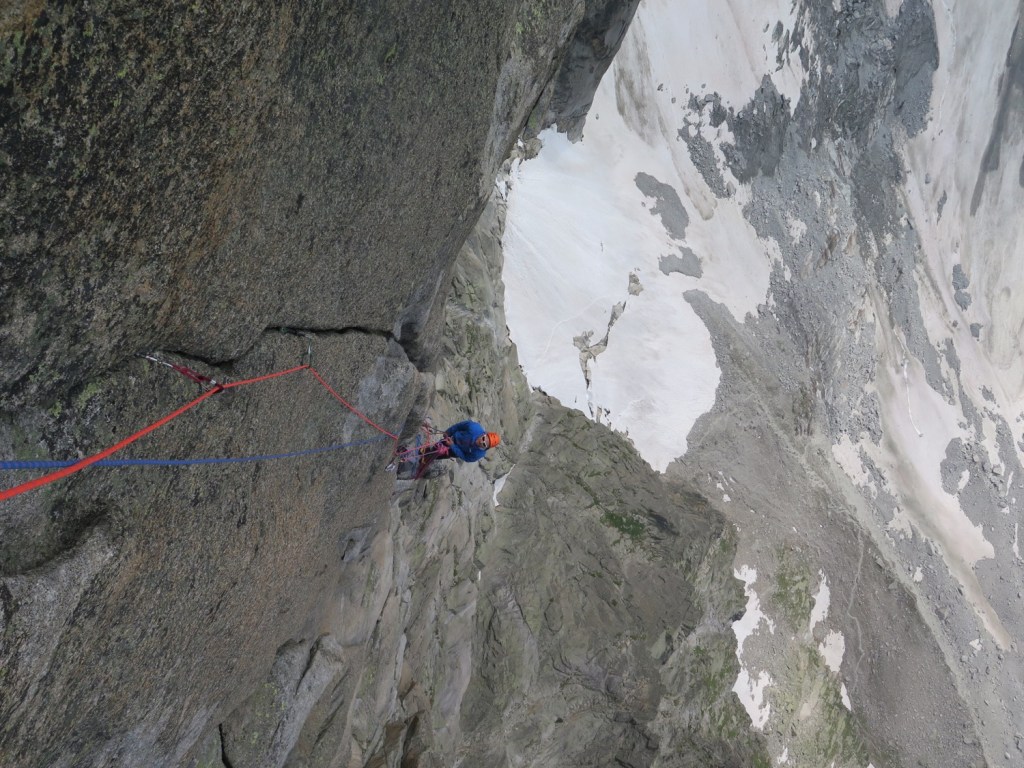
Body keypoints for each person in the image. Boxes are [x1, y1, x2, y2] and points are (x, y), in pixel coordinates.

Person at [433, 420, 500, 463]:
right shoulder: (474, 427)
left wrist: (453, 446)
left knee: (436, 456)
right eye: (483, 438)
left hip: (455, 452)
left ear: (486, 447)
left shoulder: (478, 454)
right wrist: (448, 432)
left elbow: (466, 457)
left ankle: (429, 460)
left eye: (484, 444)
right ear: (484, 434)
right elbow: (459, 426)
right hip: (451, 439)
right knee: (434, 449)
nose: (481, 442)